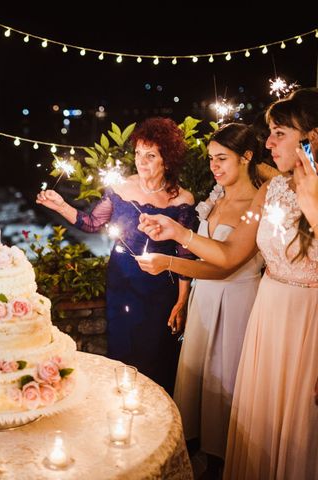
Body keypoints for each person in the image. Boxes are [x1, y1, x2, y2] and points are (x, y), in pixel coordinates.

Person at [137, 88, 318, 479]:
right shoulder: (272, 190)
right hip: (268, 316)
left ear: (312, 137)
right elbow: (232, 253)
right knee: (261, 426)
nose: (268, 142)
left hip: (309, 322)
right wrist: (176, 234)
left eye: (279, 133)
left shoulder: (293, 188)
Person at [136, 123, 265, 471]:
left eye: (223, 158)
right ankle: (207, 462)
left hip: (238, 304)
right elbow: (204, 259)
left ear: (247, 157)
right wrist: (184, 297)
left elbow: (226, 265)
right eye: (211, 159)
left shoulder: (257, 204)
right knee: (202, 391)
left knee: (229, 393)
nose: (215, 167)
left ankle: (234, 464)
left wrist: (169, 259)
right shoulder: (217, 197)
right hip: (204, 298)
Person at [37, 117, 197, 393]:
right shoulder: (122, 188)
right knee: (122, 354)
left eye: (150, 156)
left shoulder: (182, 200)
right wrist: (61, 205)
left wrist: (182, 301)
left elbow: (185, 256)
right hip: (122, 285)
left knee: (158, 358)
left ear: (167, 160)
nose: (141, 161)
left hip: (161, 292)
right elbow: (91, 222)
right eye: (138, 154)